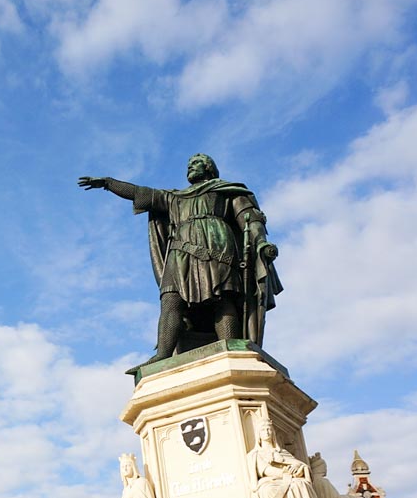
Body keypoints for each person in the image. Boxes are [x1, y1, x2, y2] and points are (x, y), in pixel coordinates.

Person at [79, 154, 281, 362]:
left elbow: (249, 220)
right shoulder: (174, 198)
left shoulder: (227, 192)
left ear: (209, 168)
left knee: (221, 297)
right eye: (188, 165)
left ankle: (230, 350)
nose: (190, 167)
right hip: (179, 253)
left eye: (195, 163)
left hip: (216, 246)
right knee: (170, 299)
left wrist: (261, 243)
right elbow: (139, 193)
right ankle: (163, 355)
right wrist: (108, 183)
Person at [247, 420, 319, 498]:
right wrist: (285, 475)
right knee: (268, 490)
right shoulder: (256, 454)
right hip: (271, 480)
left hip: (288, 478)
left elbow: (300, 464)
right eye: (264, 430)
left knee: (300, 484)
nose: (267, 432)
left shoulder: (283, 452)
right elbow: (266, 470)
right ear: (258, 434)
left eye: (269, 429)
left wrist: (298, 468)